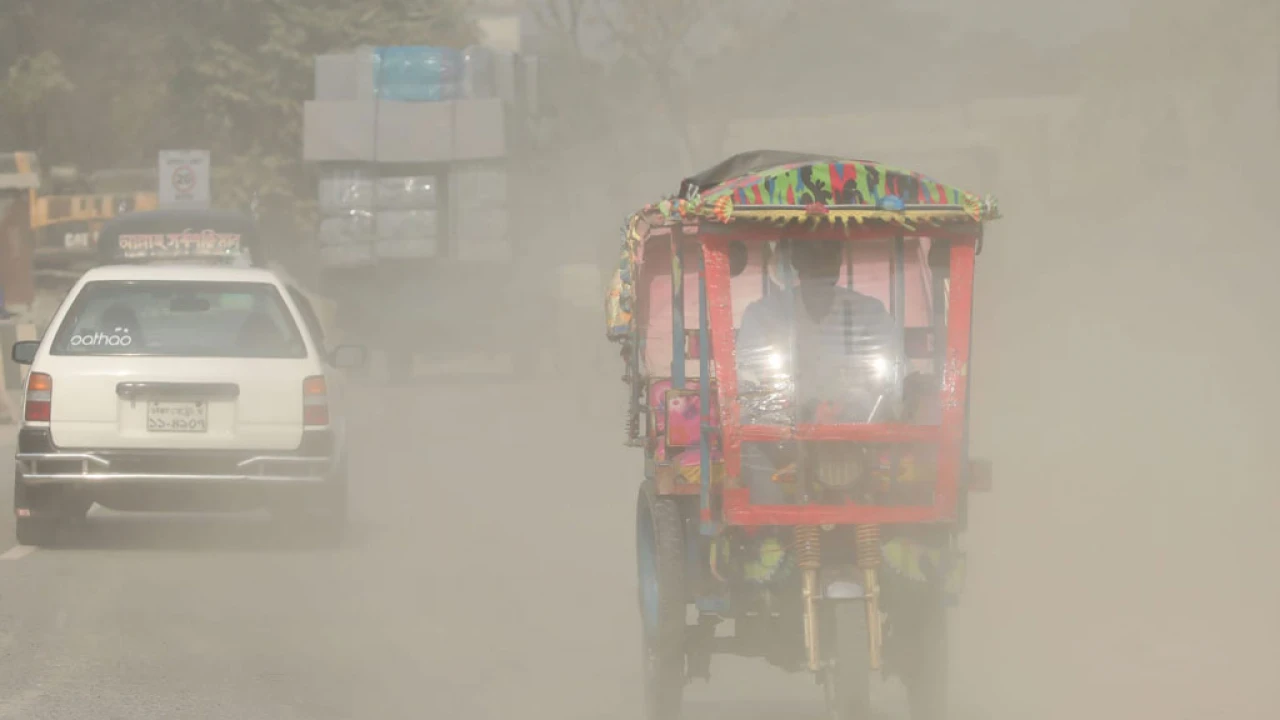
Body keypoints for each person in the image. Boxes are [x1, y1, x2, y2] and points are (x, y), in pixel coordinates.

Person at [735, 240, 904, 504]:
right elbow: (749, 385)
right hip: (785, 438)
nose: (820, 261)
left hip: (859, 433)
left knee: (907, 461)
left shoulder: (869, 312)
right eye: (811, 252)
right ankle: (771, 532)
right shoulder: (763, 314)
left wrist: (855, 407)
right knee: (751, 449)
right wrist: (802, 411)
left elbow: (894, 374)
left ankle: (894, 528)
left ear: (839, 260)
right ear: (796, 262)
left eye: (828, 252)